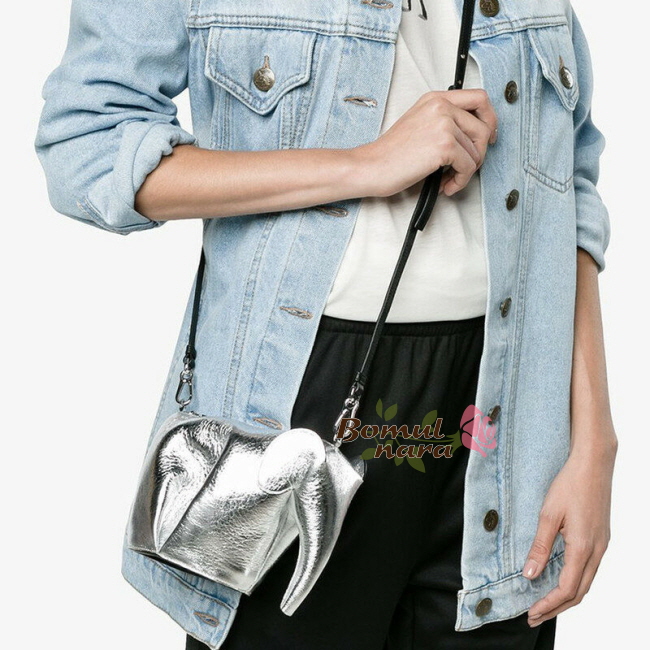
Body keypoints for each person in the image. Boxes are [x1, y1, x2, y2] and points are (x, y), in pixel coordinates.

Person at [34, 0, 616, 648]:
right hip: (300, 394)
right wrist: (366, 164)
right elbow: (86, 143)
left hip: (512, 411)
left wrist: (593, 435)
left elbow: (567, 181)